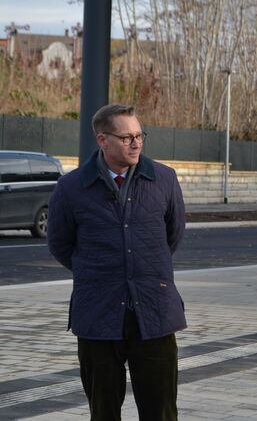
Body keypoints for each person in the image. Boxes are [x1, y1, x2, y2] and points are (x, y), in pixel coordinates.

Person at [48, 104, 186, 421]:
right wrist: (101, 274)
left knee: (161, 410)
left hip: (155, 311)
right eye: (126, 138)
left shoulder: (164, 179)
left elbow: (172, 236)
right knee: (103, 410)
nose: (136, 143)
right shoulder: (71, 188)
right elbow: (60, 244)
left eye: (139, 136)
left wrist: (142, 270)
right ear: (102, 140)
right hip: (98, 313)